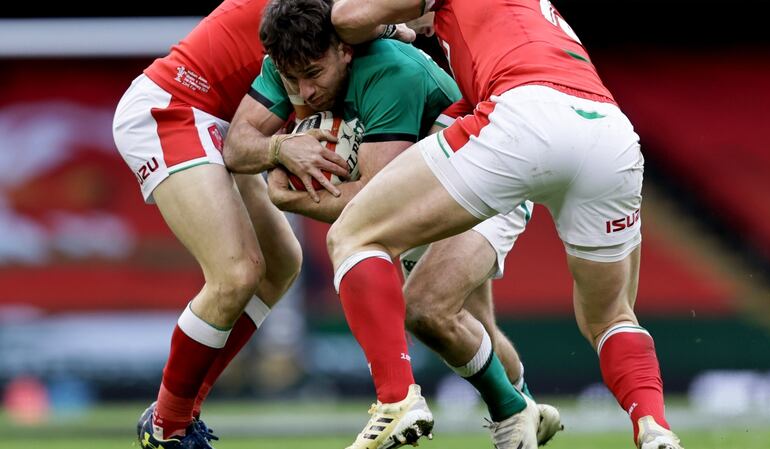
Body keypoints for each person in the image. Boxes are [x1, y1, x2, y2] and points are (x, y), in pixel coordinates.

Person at [326, 1, 684, 449]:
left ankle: (397, 400)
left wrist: (384, 23)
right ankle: (653, 428)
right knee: (610, 315)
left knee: (353, 233)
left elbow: (345, 17)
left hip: (523, 116)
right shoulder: (529, 16)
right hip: (609, 131)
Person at [223, 1, 562, 448]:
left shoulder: (389, 70)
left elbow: (377, 202)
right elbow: (236, 146)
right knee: (463, 327)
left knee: (427, 309)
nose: (304, 93)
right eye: (291, 79)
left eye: (313, 73)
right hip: (428, 191)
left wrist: (291, 196)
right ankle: (523, 405)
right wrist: (280, 149)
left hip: (483, 183)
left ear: (344, 49)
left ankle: (473, 410)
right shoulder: (290, 59)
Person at [112, 1, 353, 448]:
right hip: (174, 107)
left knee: (281, 264)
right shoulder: (342, 15)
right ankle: (167, 428)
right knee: (235, 272)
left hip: (218, 124)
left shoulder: (348, 19)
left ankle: (180, 411)